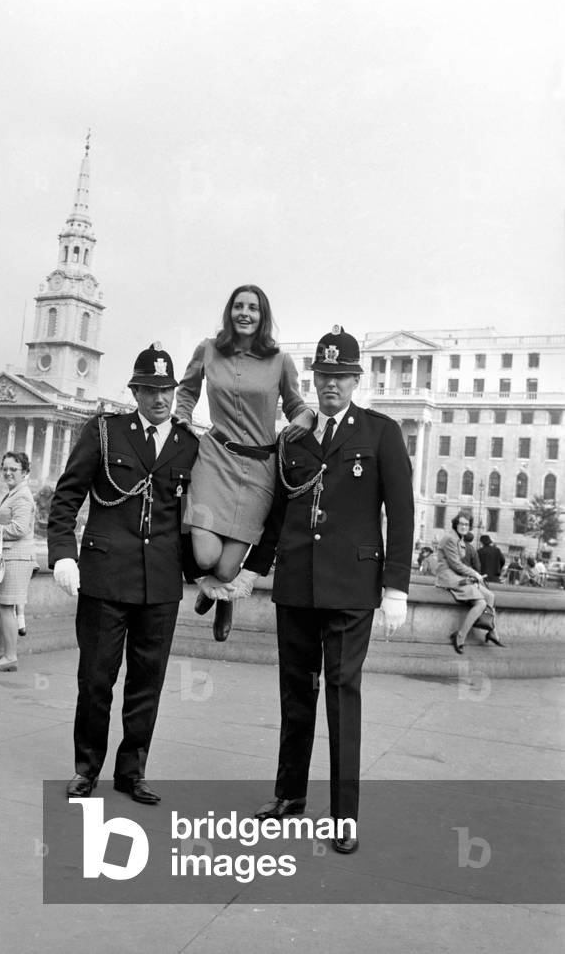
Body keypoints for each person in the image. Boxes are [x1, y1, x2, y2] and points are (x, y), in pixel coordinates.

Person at [234, 326, 414, 854]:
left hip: (351, 590)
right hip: (296, 586)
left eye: (341, 376)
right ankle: (288, 797)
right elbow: (277, 516)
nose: (331, 384)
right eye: (324, 375)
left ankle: (343, 815)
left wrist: (397, 586)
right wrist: (253, 569)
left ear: (357, 380)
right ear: (313, 379)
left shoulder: (381, 432)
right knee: (295, 696)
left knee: (341, 695)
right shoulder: (295, 439)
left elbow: (400, 514)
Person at [47, 343, 199, 803]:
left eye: (166, 390)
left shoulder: (189, 445)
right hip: (105, 578)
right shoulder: (106, 432)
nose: (159, 399)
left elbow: (195, 518)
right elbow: (67, 495)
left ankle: (132, 772)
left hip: (160, 584)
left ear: (175, 392)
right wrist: (62, 554)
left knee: (146, 684)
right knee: (95, 679)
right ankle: (86, 769)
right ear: (134, 391)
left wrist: (209, 574)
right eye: (150, 389)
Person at [174, 285, 313, 642]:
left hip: (259, 471)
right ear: (229, 311)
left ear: (263, 315)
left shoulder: (280, 360)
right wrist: (184, 417)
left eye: (253, 307)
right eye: (238, 306)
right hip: (214, 459)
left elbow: (296, 403)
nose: (245, 313)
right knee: (205, 557)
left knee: (224, 567)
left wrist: (306, 417)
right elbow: (187, 390)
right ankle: (217, 586)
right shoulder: (207, 350)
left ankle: (223, 598)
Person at [0, 451, 36, 672]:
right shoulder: (11, 493)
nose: (8, 473)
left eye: (14, 469)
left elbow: (20, 529)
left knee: (5, 606)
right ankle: (2, 650)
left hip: (17, 558)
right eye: (5, 468)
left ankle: (10, 657)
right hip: (7, 556)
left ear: (25, 472)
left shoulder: (22, 496)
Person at [435, 512, 505, 652]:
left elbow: (459, 566)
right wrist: (475, 574)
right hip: (449, 577)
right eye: (461, 523)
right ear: (456, 524)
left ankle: (491, 632)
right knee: (481, 603)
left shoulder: (459, 539)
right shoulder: (450, 538)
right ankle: (460, 636)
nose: (464, 526)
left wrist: (474, 577)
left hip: (458, 576)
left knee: (490, 596)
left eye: (466, 524)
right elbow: (455, 564)